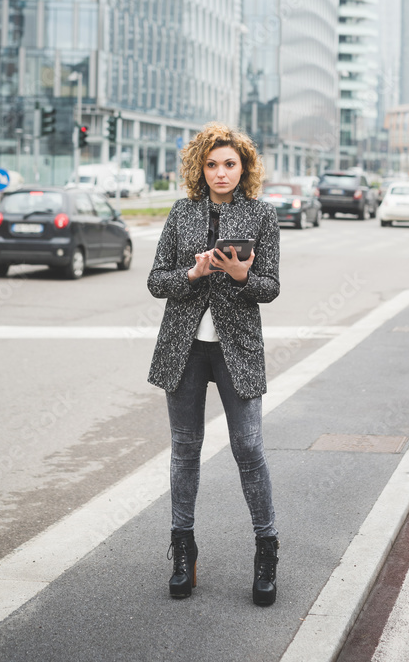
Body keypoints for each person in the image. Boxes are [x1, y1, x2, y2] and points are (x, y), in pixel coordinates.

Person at [147, 122, 281, 605]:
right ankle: (183, 550)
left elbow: (270, 286)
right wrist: (192, 272)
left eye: (229, 164)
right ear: (199, 169)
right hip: (183, 348)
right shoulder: (182, 213)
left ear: (243, 168)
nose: (220, 172)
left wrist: (244, 277)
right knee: (185, 450)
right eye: (211, 164)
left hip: (237, 349)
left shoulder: (263, 216)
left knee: (249, 449)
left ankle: (266, 550)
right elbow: (156, 280)